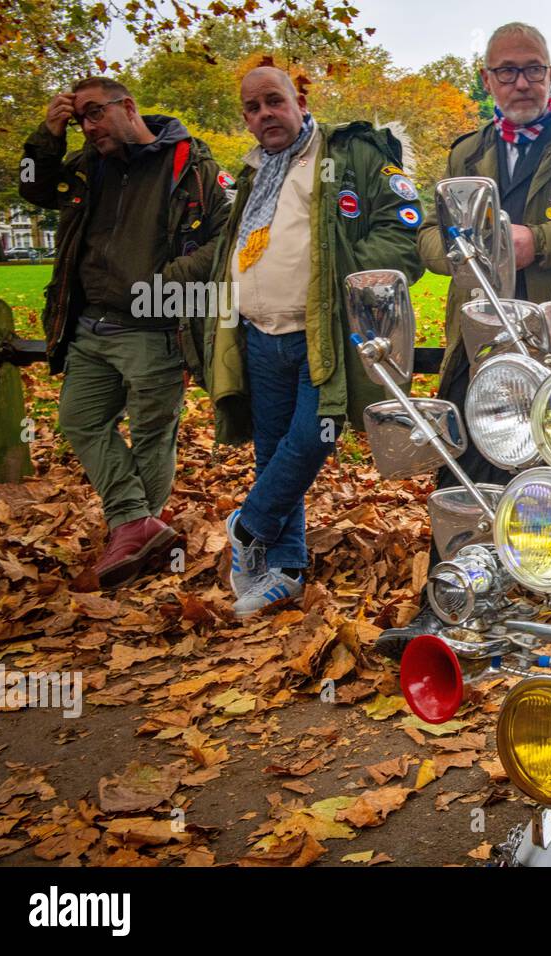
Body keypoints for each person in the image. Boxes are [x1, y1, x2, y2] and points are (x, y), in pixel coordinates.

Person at [375, 22, 551, 659]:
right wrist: (463, 249)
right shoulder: (466, 154)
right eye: (506, 71)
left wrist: (536, 241)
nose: (520, 81)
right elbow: (429, 238)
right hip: (478, 337)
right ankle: (448, 609)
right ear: (488, 79)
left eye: (532, 69)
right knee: (464, 468)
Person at [194, 66, 423, 617]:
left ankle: (248, 525)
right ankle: (287, 567)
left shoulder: (352, 154)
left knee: (314, 436)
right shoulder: (253, 173)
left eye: (274, 101)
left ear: (299, 100)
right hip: (259, 334)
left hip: (324, 335)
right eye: (252, 108)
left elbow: (405, 232)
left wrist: (344, 284)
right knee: (272, 450)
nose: (263, 115)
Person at [19, 77, 230, 589]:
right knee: (80, 419)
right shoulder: (91, 165)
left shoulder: (191, 164)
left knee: (153, 434)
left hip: (154, 326)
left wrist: (166, 282)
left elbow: (228, 237)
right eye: (79, 120)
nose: (88, 128)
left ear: (128, 106)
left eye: (94, 114)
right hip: (89, 323)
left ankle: (135, 536)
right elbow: (34, 186)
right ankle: (136, 524)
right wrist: (49, 135)